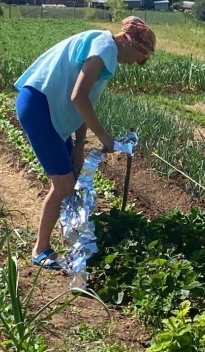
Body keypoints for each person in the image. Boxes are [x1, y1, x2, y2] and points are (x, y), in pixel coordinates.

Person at [14, 16, 156, 270]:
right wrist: (105, 138)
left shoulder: (102, 45)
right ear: (128, 41)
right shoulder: (105, 50)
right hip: (40, 107)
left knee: (71, 179)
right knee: (64, 184)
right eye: (139, 55)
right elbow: (78, 96)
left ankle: (69, 241)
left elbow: (82, 100)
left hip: (49, 108)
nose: (135, 62)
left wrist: (79, 144)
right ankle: (41, 249)